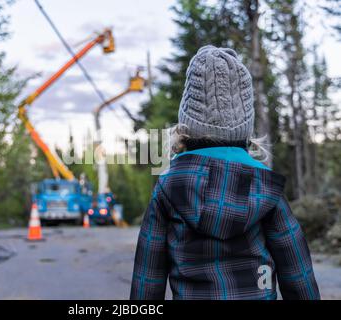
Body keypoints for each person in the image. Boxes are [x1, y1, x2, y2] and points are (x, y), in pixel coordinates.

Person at [130, 45, 320, 300]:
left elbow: (147, 282)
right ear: (245, 130)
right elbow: (298, 277)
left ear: (185, 129)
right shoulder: (266, 187)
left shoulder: (167, 188)